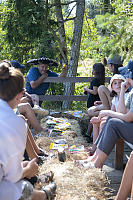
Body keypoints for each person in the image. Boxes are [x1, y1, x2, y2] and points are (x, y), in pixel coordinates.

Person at [0, 61, 56, 200]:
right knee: (18, 187)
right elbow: (11, 177)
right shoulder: (16, 123)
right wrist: (27, 170)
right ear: (19, 95)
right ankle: (44, 195)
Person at [75, 77, 133, 169]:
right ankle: (94, 157)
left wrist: (107, 113)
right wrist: (122, 90)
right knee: (108, 121)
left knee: (111, 123)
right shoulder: (130, 94)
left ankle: (97, 163)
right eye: (115, 83)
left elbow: (127, 117)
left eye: (129, 77)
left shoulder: (129, 94)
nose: (127, 80)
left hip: (127, 125)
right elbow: (120, 112)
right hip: (127, 125)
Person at [89, 74, 128, 156]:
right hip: (116, 119)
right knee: (95, 121)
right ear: (112, 87)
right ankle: (94, 148)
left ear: (124, 85)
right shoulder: (115, 99)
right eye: (115, 83)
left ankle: (99, 151)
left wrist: (104, 118)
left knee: (103, 123)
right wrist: (99, 119)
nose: (118, 85)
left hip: (124, 121)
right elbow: (112, 113)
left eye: (120, 83)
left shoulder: (127, 96)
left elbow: (123, 114)